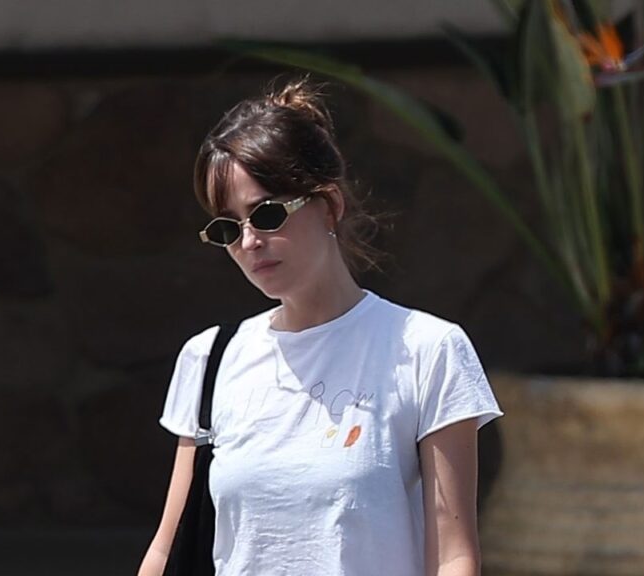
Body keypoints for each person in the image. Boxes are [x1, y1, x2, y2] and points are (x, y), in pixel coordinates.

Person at [138, 77, 503, 576]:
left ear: (329, 204)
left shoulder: (428, 350)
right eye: (228, 227)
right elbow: (167, 549)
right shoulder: (209, 359)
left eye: (267, 214)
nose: (249, 241)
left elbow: (454, 555)